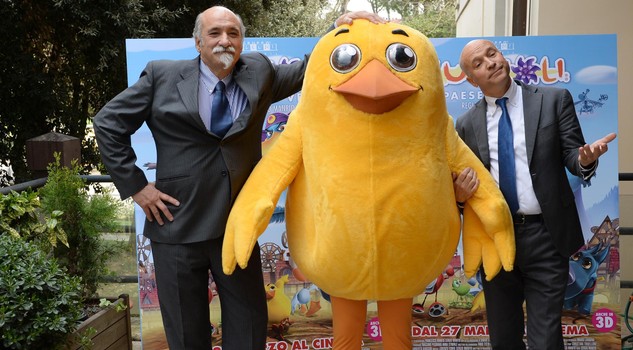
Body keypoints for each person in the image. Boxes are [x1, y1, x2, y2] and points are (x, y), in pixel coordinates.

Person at [93, 6, 384, 350]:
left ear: (242, 40)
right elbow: (108, 123)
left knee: (248, 326)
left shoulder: (258, 71)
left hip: (236, 226)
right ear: (198, 41)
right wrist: (138, 187)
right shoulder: (162, 75)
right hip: (175, 225)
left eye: (233, 33)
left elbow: (312, 70)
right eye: (215, 33)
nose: (225, 40)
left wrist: (338, 32)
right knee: (186, 336)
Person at [456, 39, 617, 350]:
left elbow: (574, 155)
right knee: (503, 338)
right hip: (495, 240)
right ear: (471, 79)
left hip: (547, 234)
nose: (490, 62)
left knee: (545, 338)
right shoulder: (466, 124)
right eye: (479, 63)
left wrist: (586, 159)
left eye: (492, 53)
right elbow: (463, 189)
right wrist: (460, 196)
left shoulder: (554, 100)